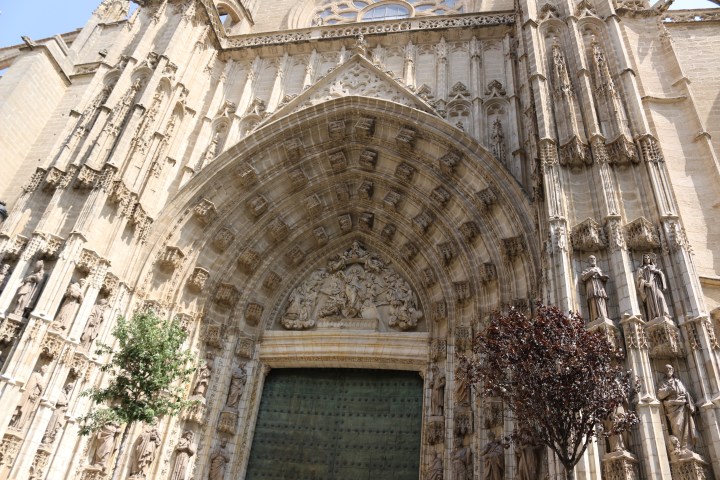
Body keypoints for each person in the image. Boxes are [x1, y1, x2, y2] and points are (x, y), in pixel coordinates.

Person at [657, 364, 696, 450]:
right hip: (672, 409)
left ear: (673, 370)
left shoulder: (678, 381)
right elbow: (660, 395)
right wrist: (669, 389)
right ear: (664, 371)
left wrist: (690, 403)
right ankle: (680, 447)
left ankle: (687, 447)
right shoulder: (662, 383)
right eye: (666, 369)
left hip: (682, 406)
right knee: (677, 427)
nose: (668, 370)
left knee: (686, 427)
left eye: (670, 368)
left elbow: (685, 393)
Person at [636, 253, 670, 321]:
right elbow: (639, 279)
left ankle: (664, 314)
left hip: (656, 286)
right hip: (648, 289)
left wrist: (657, 271)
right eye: (645, 258)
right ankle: (654, 316)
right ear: (643, 260)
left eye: (648, 258)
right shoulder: (641, 269)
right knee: (651, 302)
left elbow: (661, 275)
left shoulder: (653, 267)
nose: (647, 259)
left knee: (660, 297)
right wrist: (645, 283)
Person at [581, 255, 610, 322]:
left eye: (594, 259)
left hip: (599, 286)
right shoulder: (587, 270)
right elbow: (583, 277)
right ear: (588, 261)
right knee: (593, 299)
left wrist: (604, 277)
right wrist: (592, 272)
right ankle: (595, 317)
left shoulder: (599, 269)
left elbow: (602, 277)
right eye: (591, 259)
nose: (593, 260)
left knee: (601, 298)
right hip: (591, 286)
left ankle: (604, 315)